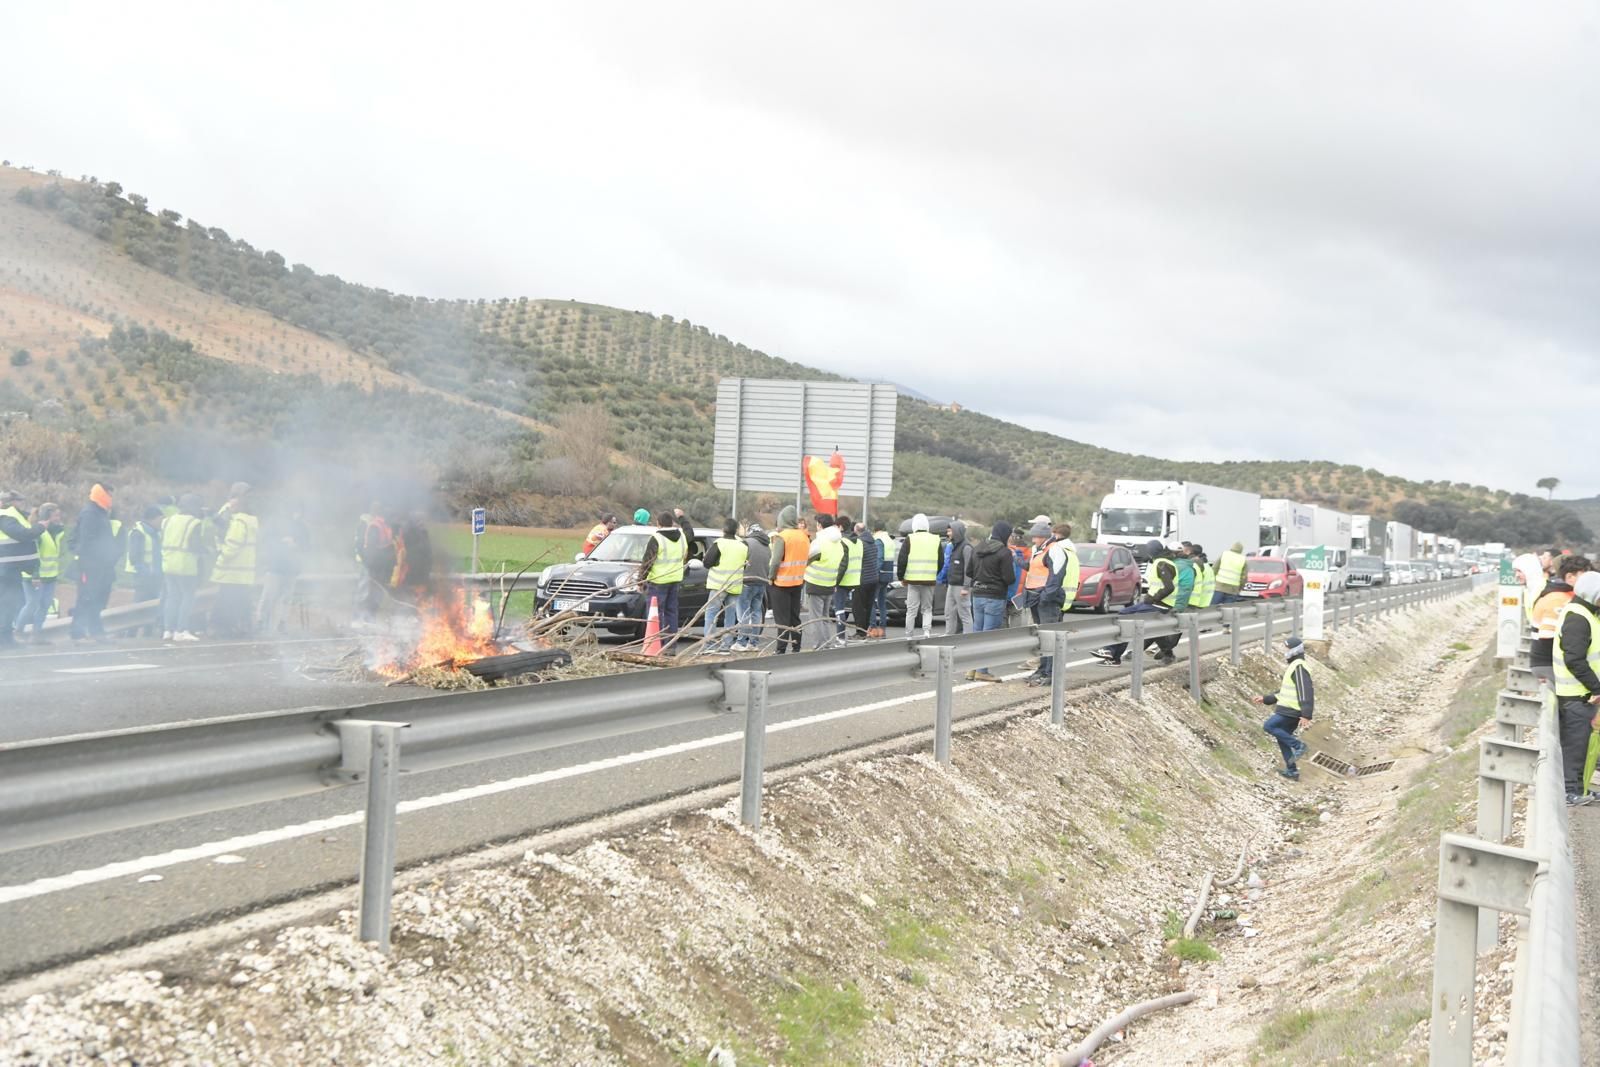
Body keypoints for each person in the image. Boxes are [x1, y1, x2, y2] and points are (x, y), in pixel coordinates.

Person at [1093, 540, 1180, 666]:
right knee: (1125, 615)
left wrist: (1154, 597)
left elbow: (1169, 587)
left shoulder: (1161, 563)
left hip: (1158, 604)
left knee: (1125, 618)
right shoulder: (1164, 561)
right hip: (1157, 603)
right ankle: (1113, 655)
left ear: (1152, 551)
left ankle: (1111, 653)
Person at [1553, 572, 1600, 804]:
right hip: (1576, 695)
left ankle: (1579, 789)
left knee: (1582, 747)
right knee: (1575, 746)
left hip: (1582, 694)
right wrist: (1597, 687)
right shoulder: (1578, 618)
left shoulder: (1586, 614)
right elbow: (1575, 659)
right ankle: (1569, 792)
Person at [1025, 523, 1080, 686]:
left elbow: (1056, 577)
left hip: (1046, 600)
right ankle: (1042, 670)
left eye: (1035, 536)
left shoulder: (1055, 550)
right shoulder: (1040, 549)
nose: (1033, 539)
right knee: (1043, 637)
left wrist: (1045, 597)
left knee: (1050, 637)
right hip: (1036, 598)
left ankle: (1050, 672)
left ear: (1042, 536)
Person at [1255, 637, 1314, 780]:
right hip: (1288, 709)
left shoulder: (1299, 667)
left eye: (1287, 648)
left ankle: (1299, 746)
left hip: (1291, 710)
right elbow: (1285, 691)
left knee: (1269, 726)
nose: (1285, 651)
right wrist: (1266, 699)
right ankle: (1292, 771)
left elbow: (1305, 691)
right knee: (1282, 739)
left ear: (1294, 650)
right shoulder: (1295, 666)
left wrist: (1306, 714)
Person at [967, 520, 1017, 682]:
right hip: (994, 597)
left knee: (977, 632)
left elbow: (969, 571)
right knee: (988, 634)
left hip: (977, 595)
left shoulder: (977, 548)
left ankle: (972, 668)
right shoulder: (1004, 552)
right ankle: (982, 671)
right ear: (1004, 535)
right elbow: (1009, 578)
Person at [69, 483, 118, 643]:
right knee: (86, 598)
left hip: (101, 566)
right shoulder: (91, 513)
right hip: (91, 566)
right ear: (102, 494)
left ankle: (96, 632)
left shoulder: (100, 512)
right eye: (109, 493)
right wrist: (91, 562)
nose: (111, 497)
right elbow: (87, 541)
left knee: (97, 599)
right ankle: (78, 633)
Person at [210, 484, 260, 638]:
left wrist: (221, 556)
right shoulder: (251, 519)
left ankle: (221, 629)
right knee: (240, 601)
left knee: (225, 601)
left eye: (234, 498)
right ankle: (240, 628)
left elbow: (232, 546)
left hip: (232, 570)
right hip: (244, 570)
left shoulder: (239, 521)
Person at [1530, 556, 1590, 684]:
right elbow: (1547, 637)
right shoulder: (1558, 598)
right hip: (1550, 663)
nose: (1588, 581)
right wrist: (1574, 653)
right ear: (1569, 577)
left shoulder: (1562, 594)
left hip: (1550, 663)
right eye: (1584, 576)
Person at [636, 509, 690, 647]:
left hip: (658, 581)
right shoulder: (682, 536)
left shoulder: (657, 538)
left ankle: (655, 645)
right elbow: (690, 533)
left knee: (655, 614)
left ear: (658, 524)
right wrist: (682, 518)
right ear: (672, 522)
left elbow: (647, 561)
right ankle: (670, 645)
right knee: (671, 613)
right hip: (675, 580)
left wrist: (640, 580)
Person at [14, 502, 64, 643]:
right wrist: (36, 576)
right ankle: (18, 631)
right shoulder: (38, 532)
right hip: (34, 577)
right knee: (32, 604)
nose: (59, 518)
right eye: (56, 515)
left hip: (50, 577)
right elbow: (33, 554)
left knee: (44, 605)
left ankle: (36, 635)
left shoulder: (57, 532)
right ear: (47, 516)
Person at [258, 505, 311, 635]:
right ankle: (261, 622)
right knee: (268, 596)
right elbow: (265, 540)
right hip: (275, 566)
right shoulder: (275, 522)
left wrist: (296, 544)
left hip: (291, 568)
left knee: (286, 598)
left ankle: (282, 623)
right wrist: (281, 543)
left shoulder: (301, 526)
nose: (297, 514)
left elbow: (307, 546)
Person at [161, 494, 207, 641]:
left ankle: (168, 630)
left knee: (172, 597)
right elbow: (195, 545)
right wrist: (206, 551)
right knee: (187, 597)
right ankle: (181, 630)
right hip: (186, 565)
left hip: (168, 564)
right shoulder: (194, 522)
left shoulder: (167, 521)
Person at [0, 489, 41, 649]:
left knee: (10, 604)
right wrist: (39, 528)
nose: (21, 504)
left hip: (10, 568)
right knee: (7, 603)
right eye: (18, 501)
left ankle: (6, 637)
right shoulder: (7, 516)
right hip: (6, 569)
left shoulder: (13, 516)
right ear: (9, 502)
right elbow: (22, 534)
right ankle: (4, 639)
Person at [701, 518, 747, 653]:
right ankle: (726, 646)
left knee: (711, 614)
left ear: (724, 529)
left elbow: (707, 563)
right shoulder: (743, 546)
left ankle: (710, 645)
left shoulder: (719, 544)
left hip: (718, 585)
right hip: (735, 585)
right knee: (730, 616)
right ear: (736, 530)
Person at [767, 506, 809, 654]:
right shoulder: (804, 536)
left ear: (782, 520)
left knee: (782, 620)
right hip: (798, 582)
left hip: (781, 583)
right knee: (794, 617)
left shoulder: (782, 536)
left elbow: (776, 561)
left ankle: (780, 650)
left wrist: (771, 577)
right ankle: (796, 647)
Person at [803, 513, 846, 649]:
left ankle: (819, 645)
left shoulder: (819, 542)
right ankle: (827, 644)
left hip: (815, 583)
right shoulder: (839, 542)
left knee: (816, 618)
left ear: (820, 525)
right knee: (825, 617)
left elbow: (807, 559)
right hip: (830, 584)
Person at [897, 514, 941, 639]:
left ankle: (909, 634)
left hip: (912, 580)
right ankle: (927, 632)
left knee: (911, 609)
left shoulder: (910, 538)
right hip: (929, 580)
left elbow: (902, 560)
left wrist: (901, 577)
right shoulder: (935, 539)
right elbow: (941, 561)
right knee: (927, 608)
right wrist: (933, 573)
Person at [354, 504, 395, 624]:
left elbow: (387, 546)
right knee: (365, 593)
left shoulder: (386, 526)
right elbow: (371, 548)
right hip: (371, 565)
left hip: (380, 566)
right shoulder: (375, 526)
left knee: (377, 594)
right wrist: (372, 565)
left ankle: (370, 618)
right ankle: (358, 620)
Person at [734, 522, 771, 652]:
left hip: (746, 582)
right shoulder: (767, 546)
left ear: (750, 532)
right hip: (761, 582)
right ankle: (753, 643)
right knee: (756, 612)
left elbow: (739, 561)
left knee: (743, 613)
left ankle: (741, 643)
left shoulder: (746, 543)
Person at [939, 519, 975, 636]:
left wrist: (966, 587)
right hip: (952, 585)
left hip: (961, 587)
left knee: (964, 613)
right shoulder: (954, 546)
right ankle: (948, 635)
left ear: (957, 532)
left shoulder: (966, 547)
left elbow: (968, 570)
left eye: (950, 531)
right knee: (949, 612)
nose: (948, 533)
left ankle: (967, 637)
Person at [833, 515, 862, 642]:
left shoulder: (842, 542)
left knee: (839, 609)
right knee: (852, 608)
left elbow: (843, 564)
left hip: (844, 580)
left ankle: (840, 637)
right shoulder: (859, 541)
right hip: (855, 580)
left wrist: (835, 582)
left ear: (840, 527)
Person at [851, 521, 881, 641]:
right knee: (868, 607)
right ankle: (865, 630)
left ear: (857, 531)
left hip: (862, 579)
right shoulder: (873, 542)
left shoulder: (860, 543)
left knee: (858, 607)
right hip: (873, 579)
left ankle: (860, 632)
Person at [870, 521, 896, 638]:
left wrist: (874, 573)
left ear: (875, 530)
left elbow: (879, 558)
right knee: (882, 603)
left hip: (879, 575)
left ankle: (873, 628)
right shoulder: (889, 540)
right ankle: (883, 629)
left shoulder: (878, 539)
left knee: (871, 602)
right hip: (888, 574)